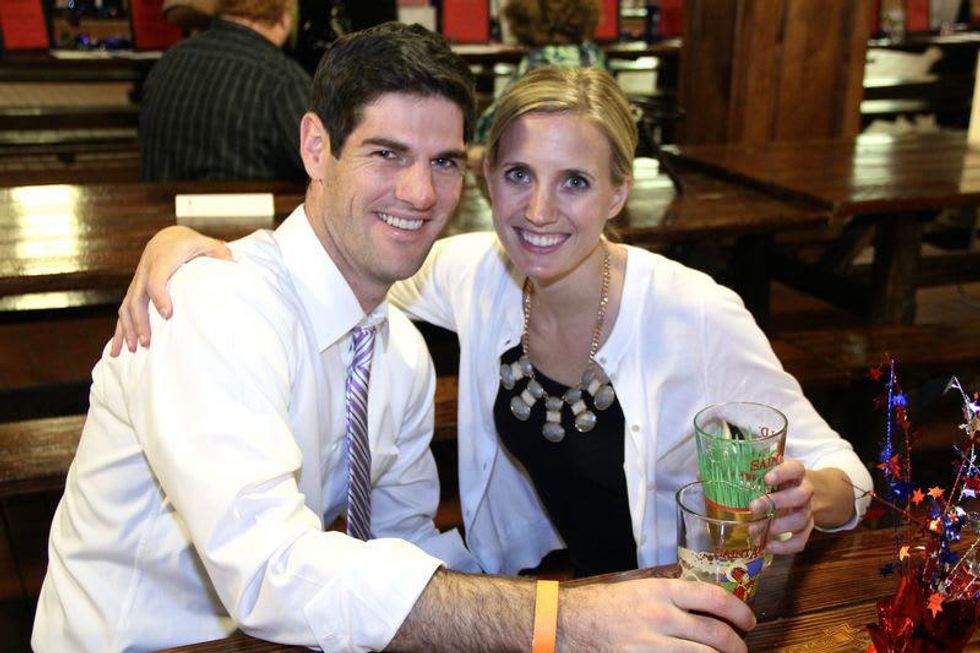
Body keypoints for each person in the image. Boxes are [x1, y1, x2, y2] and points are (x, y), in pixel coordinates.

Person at [37, 25, 758, 653]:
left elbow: (401, 544)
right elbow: (269, 572)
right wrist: (559, 620)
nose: (419, 193)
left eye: (443, 161)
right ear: (316, 147)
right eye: (387, 153)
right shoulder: (211, 308)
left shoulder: (398, 352)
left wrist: (582, 604)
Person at [115, 65, 872, 578]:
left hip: (673, 603)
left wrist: (809, 496)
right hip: (537, 590)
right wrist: (201, 249)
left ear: (617, 192)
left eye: (574, 182)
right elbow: (351, 259)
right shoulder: (477, 272)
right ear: (486, 178)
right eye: (518, 175)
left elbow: (848, 474)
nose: (538, 212)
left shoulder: (695, 312)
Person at [140, 0, 310, 182]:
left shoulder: (168, 62)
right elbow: (325, 165)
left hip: (158, 200)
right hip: (253, 200)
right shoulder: (281, 81)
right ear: (284, 16)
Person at [469, 0, 610, 168]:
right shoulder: (594, 55)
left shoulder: (538, 61)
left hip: (545, 153)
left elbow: (494, 123)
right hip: (596, 153)